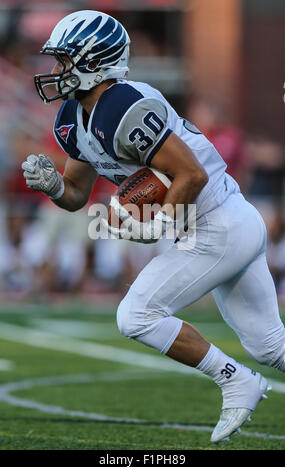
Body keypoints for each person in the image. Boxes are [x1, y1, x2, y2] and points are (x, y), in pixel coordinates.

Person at [21, 10, 285, 443]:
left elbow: (192, 174)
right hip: (218, 223)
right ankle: (245, 376)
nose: (55, 71)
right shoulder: (74, 116)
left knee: (136, 315)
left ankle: (237, 380)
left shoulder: (124, 105)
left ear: (92, 61)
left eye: (64, 60)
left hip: (217, 222)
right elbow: (76, 196)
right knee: (271, 346)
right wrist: (54, 185)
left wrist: (160, 223)